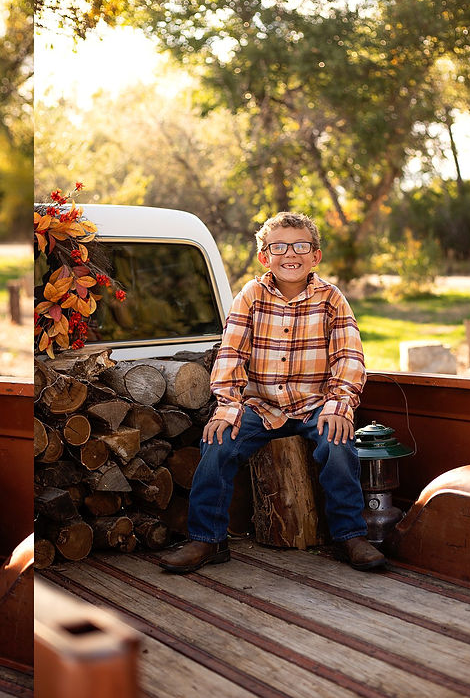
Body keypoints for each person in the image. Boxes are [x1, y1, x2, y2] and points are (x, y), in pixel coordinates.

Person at [157, 211, 386, 574]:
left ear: (315, 256)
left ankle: (350, 536)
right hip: (261, 405)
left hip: (316, 405)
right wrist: (227, 407)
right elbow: (232, 353)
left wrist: (340, 405)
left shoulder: (331, 299)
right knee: (217, 443)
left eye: (300, 246)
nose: (289, 254)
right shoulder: (251, 295)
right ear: (265, 256)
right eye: (278, 246)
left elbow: (350, 358)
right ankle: (208, 539)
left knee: (338, 445)